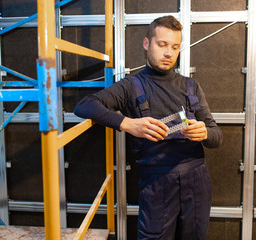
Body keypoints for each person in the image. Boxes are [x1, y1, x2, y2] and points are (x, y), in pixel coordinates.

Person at [74, 15, 222, 240]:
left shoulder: (190, 85)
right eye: (162, 44)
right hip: (157, 185)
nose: (168, 53)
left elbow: (217, 136)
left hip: (196, 182)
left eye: (174, 47)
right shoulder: (130, 86)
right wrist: (127, 123)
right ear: (146, 43)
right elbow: (84, 105)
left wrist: (205, 133)